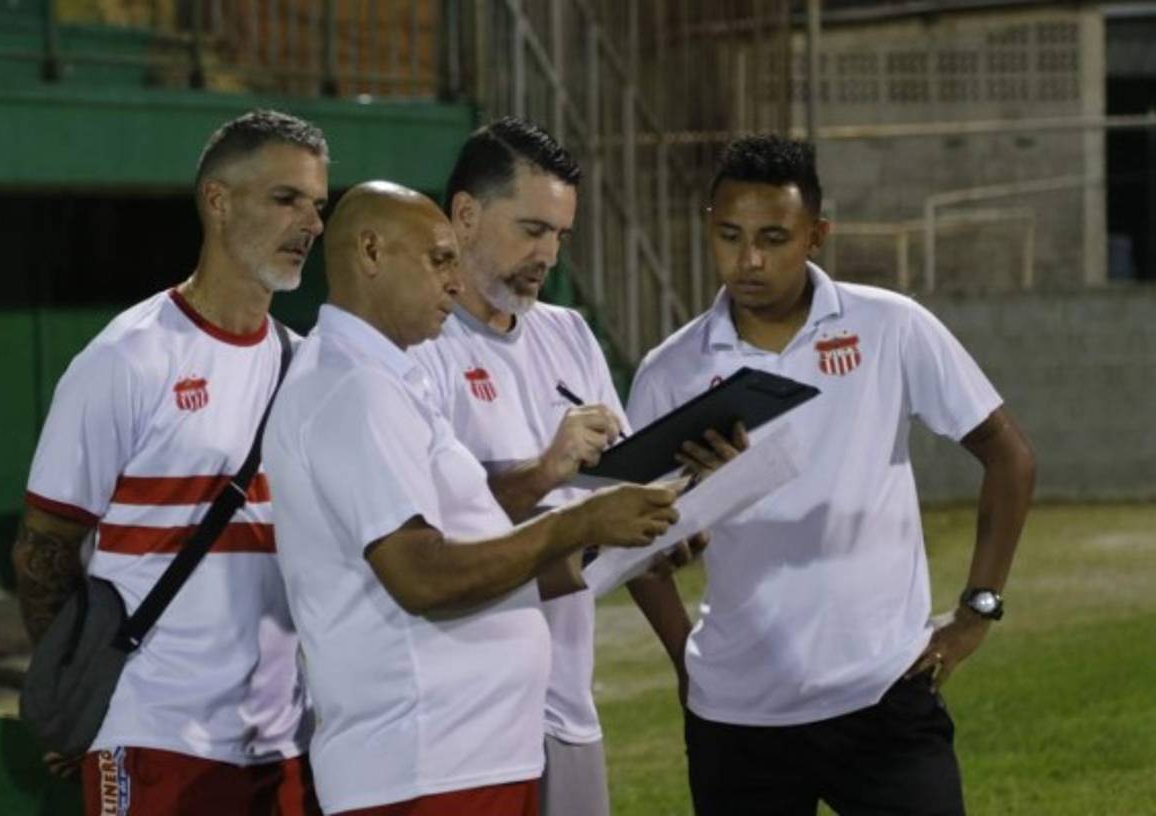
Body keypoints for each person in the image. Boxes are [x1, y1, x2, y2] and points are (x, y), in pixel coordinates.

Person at [625, 134, 1037, 815]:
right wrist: (683, 657)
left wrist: (978, 610)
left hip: (883, 696)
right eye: (730, 235)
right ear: (707, 227)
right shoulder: (672, 372)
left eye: (774, 237)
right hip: (737, 716)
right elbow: (634, 545)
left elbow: (1010, 456)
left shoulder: (889, 328)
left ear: (816, 235)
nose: (749, 259)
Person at [263, 181, 679, 816]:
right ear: (371, 253)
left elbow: (486, 560)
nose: (455, 283)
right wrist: (579, 520)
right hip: (422, 766)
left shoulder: (389, 380)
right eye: (438, 259)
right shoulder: (353, 389)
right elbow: (422, 575)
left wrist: (630, 537)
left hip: (462, 758)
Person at [408, 117, 741, 816]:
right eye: (532, 229)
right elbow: (421, 545)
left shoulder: (569, 334)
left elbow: (615, 503)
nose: (548, 256)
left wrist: (671, 525)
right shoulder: (413, 349)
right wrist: (545, 471)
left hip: (566, 704)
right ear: (464, 214)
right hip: (454, 715)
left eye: (560, 235)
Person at [13, 109, 329, 815]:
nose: (310, 223)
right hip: (152, 734)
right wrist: (78, 683)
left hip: (283, 744)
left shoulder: (309, 367)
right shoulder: (127, 357)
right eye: (285, 199)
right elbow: (44, 549)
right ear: (217, 201)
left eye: (318, 205)